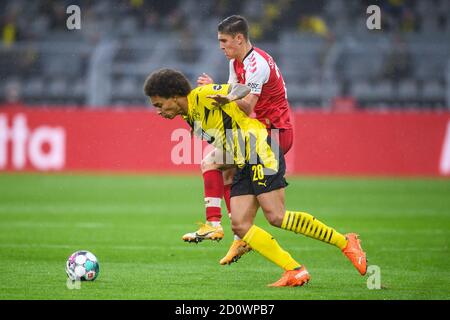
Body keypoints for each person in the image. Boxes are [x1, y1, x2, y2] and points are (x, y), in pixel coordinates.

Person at [143, 68, 368, 287]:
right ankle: (294, 270)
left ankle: (345, 242)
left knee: (276, 217)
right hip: (243, 159)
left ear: (174, 97)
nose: (158, 111)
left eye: (159, 105)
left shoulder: (202, 95)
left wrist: (227, 95)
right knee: (240, 225)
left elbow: (242, 89)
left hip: (260, 149)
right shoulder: (190, 114)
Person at [184, 15, 294, 266]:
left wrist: (222, 95)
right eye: (219, 41)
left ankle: (214, 225)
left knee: (210, 162)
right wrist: (217, 89)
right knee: (226, 174)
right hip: (257, 132)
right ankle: (238, 236)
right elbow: (232, 93)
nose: (221, 46)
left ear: (239, 38)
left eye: (224, 41)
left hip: (274, 133)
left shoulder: (257, 64)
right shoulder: (236, 63)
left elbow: (245, 107)